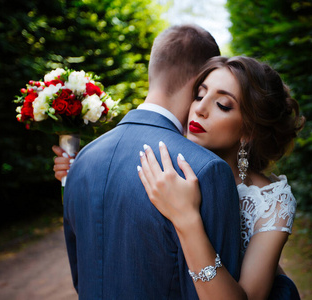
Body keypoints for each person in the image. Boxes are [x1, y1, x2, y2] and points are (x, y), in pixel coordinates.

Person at [60, 25, 243, 299]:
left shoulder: (83, 159)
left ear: (154, 69)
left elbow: (80, 274)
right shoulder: (203, 169)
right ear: (199, 83)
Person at [137, 56, 304, 299]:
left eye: (223, 105)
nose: (200, 109)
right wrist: (74, 170)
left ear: (249, 129)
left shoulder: (272, 202)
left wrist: (187, 219)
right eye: (199, 95)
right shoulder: (163, 163)